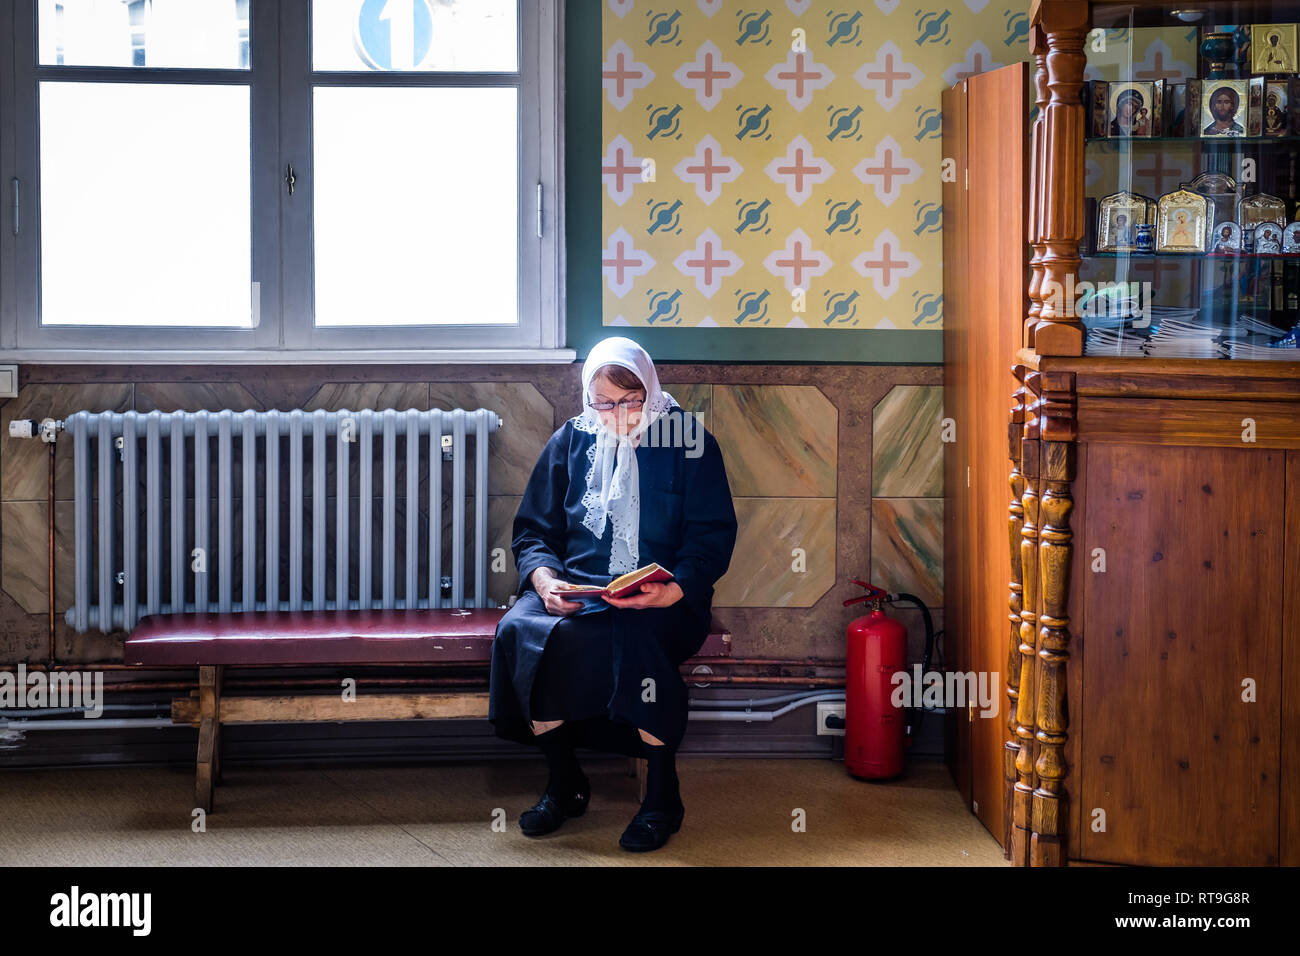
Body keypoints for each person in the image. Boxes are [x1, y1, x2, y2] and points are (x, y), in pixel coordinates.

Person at [488, 336, 738, 852]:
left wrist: (677, 590)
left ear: (649, 391)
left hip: (664, 598)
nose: (618, 414)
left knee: (639, 635)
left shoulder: (690, 442)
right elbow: (533, 532)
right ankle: (565, 780)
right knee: (521, 630)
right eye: (604, 402)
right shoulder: (570, 440)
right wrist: (544, 581)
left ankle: (662, 798)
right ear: (588, 399)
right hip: (579, 588)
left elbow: (711, 537)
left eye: (630, 401)